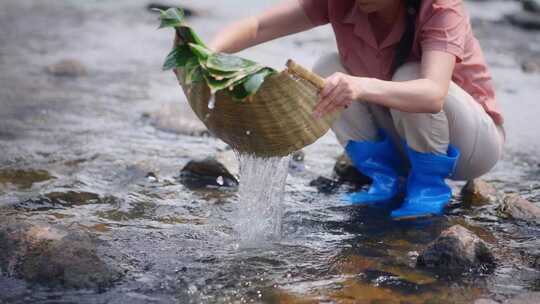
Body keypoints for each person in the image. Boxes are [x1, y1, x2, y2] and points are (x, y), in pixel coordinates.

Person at [205, 0, 505, 220]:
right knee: (327, 68)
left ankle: (428, 188)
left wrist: (360, 86)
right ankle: (386, 178)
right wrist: (206, 56)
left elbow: (433, 94)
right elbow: (258, 26)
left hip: (471, 146)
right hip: (406, 135)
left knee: (410, 75)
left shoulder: (440, 8)